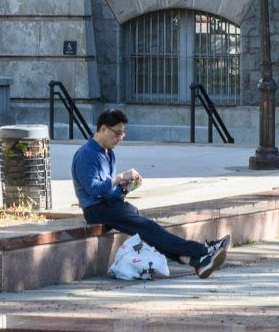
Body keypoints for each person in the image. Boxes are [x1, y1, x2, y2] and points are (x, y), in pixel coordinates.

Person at [73, 108, 229, 279]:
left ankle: (196, 261)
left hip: (111, 205)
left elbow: (108, 191)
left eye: (122, 134)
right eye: (117, 133)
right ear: (103, 129)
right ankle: (204, 251)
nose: (120, 138)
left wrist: (125, 187)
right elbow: (94, 190)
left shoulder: (108, 153)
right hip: (97, 210)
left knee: (150, 231)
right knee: (149, 228)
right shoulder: (86, 154)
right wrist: (118, 178)